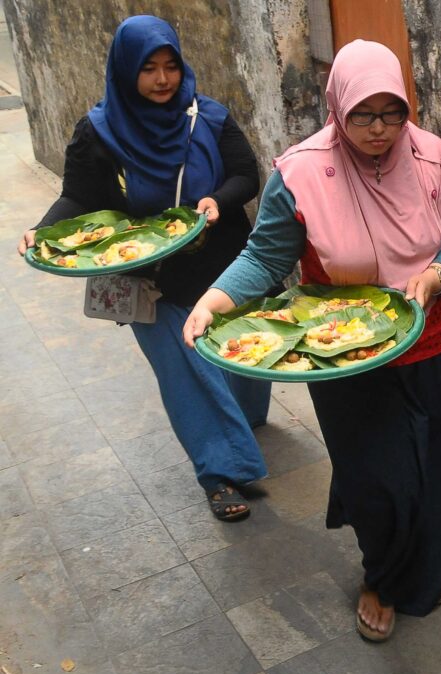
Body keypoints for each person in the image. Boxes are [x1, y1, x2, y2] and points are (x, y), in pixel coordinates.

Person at [182, 39, 441, 642]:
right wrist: (215, 300)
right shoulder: (301, 173)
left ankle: (429, 558)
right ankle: (383, 575)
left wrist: (437, 273)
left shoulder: (434, 160)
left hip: (433, 340)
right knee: (379, 475)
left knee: (437, 466)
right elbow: (265, 257)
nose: (379, 130)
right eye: (362, 114)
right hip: (342, 352)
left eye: (392, 112)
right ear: (336, 107)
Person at [17, 15, 271, 522]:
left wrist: (216, 201)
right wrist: (43, 231)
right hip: (149, 277)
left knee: (243, 354)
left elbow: (247, 173)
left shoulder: (210, 118)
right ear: (124, 71)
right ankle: (221, 471)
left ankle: (243, 421)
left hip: (222, 264)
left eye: (170, 66)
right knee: (186, 368)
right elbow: (77, 196)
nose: (162, 80)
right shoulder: (99, 133)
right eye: (149, 69)